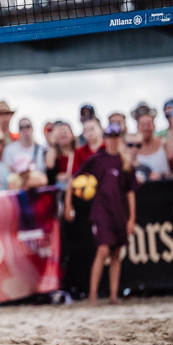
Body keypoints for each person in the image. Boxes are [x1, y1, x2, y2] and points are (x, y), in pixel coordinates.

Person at [64, 124, 138, 304]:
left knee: (116, 254)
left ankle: (113, 295)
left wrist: (132, 218)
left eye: (116, 136)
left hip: (119, 212)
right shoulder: (97, 159)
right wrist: (68, 204)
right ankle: (93, 295)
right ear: (105, 138)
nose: (113, 139)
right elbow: (73, 180)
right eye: (110, 136)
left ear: (120, 138)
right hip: (101, 211)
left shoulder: (125, 162)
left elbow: (130, 192)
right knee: (103, 249)